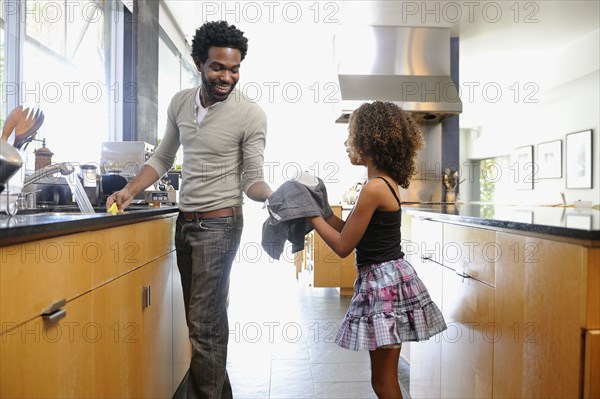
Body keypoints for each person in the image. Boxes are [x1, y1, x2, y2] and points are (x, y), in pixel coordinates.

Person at [107, 21, 272, 399]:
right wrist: (130, 188)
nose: (227, 76)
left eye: (234, 68)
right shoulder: (181, 102)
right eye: (218, 67)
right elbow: (164, 157)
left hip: (220, 225)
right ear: (199, 62)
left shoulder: (251, 114)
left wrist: (275, 196)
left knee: (203, 325)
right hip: (185, 223)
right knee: (203, 324)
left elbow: (252, 179)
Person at [308, 101, 447, 399]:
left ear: (369, 140)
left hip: (382, 286)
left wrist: (310, 215)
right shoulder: (382, 183)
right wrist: (321, 208)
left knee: (383, 383)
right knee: (384, 381)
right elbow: (349, 229)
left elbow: (344, 246)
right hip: (390, 281)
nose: (346, 143)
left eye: (351, 135)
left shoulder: (373, 189)